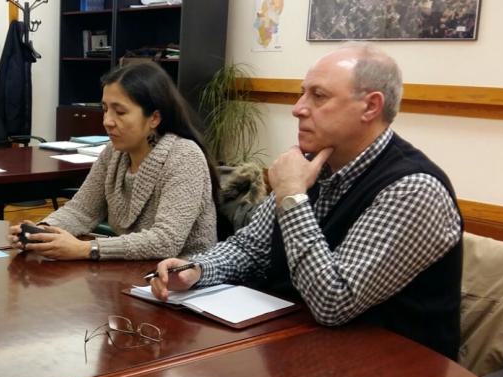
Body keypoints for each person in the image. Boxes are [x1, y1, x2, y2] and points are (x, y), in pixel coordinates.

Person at [151, 42, 463, 359]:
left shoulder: (414, 189)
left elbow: (334, 302)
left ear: (370, 107)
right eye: (303, 93)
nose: (298, 108)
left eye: (319, 96)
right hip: (304, 352)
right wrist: (199, 270)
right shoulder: (313, 163)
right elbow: (251, 247)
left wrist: (292, 197)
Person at [8, 62, 220, 260]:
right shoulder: (113, 153)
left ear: (154, 118)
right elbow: (81, 210)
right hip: (132, 273)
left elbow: (166, 241)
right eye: (105, 109)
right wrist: (43, 231)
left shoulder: (184, 156)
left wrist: (86, 249)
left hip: (184, 281)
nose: (107, 121)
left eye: (120, 112)